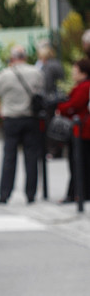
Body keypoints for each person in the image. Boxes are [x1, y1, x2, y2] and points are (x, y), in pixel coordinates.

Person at [0, 45, 45, 204]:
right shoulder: (36, 72)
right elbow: (40, 89)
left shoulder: (4, 74)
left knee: (9, 157)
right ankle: (31, 194)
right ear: (25, 56)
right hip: (30, 118)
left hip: (11, 119)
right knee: (31, 157)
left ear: (12, 58)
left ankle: (4, 194)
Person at [56, 57, 90, 203]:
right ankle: (78, 193)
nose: (72, 74)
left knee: (78, 163)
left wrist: (61, 108)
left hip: (82, 130)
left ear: (83, 72)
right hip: (80, 129)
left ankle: (77, 194)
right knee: (79, 163)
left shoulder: (84, 86)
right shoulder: (81, 85)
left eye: (75, 71)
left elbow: (74, 105)